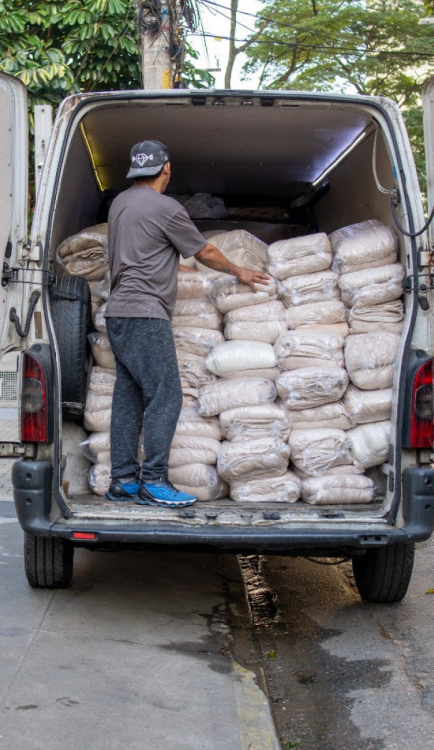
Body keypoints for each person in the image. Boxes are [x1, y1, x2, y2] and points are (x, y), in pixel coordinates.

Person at [104, 140, 271, 508]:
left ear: (134, 171)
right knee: (167, 394)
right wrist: (239, 270)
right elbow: (205, 252)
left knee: (129, 395)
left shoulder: (120, 203)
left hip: (118, 312)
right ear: (166, 169)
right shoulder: (166, 207)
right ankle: (154, 480)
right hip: (146, 313)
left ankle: (123, 480)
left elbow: (142, 252)